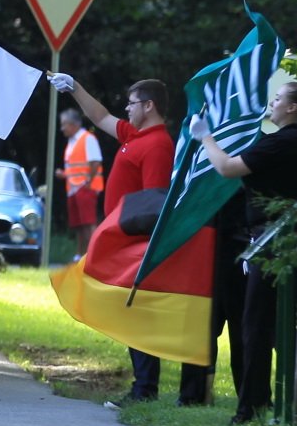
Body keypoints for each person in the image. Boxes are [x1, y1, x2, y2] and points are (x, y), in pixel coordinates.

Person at [190, 79, 297, 425]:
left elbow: (227, 168)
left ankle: (251, 409)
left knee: (257, 329)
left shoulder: (284, 142)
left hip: (273, 242)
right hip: (275, 241)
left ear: (292, 108)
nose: (272, 102)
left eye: (278, 98)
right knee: (277, 331)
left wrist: (205, 137)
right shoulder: (292, 141)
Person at [48, 75, 192, 404]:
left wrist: (136, 244)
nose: (126, 109)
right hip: (120, 237)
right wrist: (75, 88)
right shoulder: (135, 134)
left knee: (136, 313)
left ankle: (145, 389)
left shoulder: (157, 145)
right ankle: (142, 386)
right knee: (128, 311)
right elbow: (100, 116)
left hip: (133, 241)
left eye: (132, 103)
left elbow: (153, 201)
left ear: (149, 106)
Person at [54, 108, 105, 258]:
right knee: (79, 225)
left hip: (85, 187)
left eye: (64, 124)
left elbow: (95, 161)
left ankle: (93, 256)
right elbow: (76, 167)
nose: (62, 128)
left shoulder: (87, 138)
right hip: (73, 188)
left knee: (88, 223)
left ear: (73, 124)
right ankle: (80, 255)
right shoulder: (72, 141)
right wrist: (65, 174)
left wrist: (88, 181)